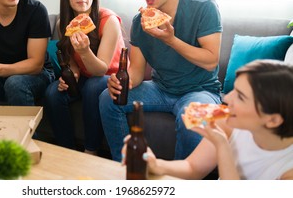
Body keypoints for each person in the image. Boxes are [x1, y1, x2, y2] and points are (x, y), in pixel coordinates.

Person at [99, 0, 222, 162]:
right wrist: (121, 83)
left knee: (191, 119)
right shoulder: (140, 22)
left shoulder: (203, 8)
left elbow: (211, 61)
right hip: (161, 89)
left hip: (201, 90)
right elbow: (136, 71)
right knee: (107, 99)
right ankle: (124, 166)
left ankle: (178, 184)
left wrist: (171, 40)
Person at [122, 60, 293, 180]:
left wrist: (222, 146)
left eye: (240, 97)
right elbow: (193, 168)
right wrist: (156, 165)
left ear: (272, 120)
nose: (228, 99)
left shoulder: (288, 171)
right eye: (234, 90)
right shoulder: (227, 122)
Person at [44, 0, 125, 154]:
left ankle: (91, 151)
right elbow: (71, 59)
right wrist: (72, 74)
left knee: (93, 85)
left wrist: (85, 51)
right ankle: (67, 151)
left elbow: (101, 70)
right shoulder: (62, 23)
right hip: (87, 76)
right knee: (52, 92)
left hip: (111, 77)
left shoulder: (108, 20)